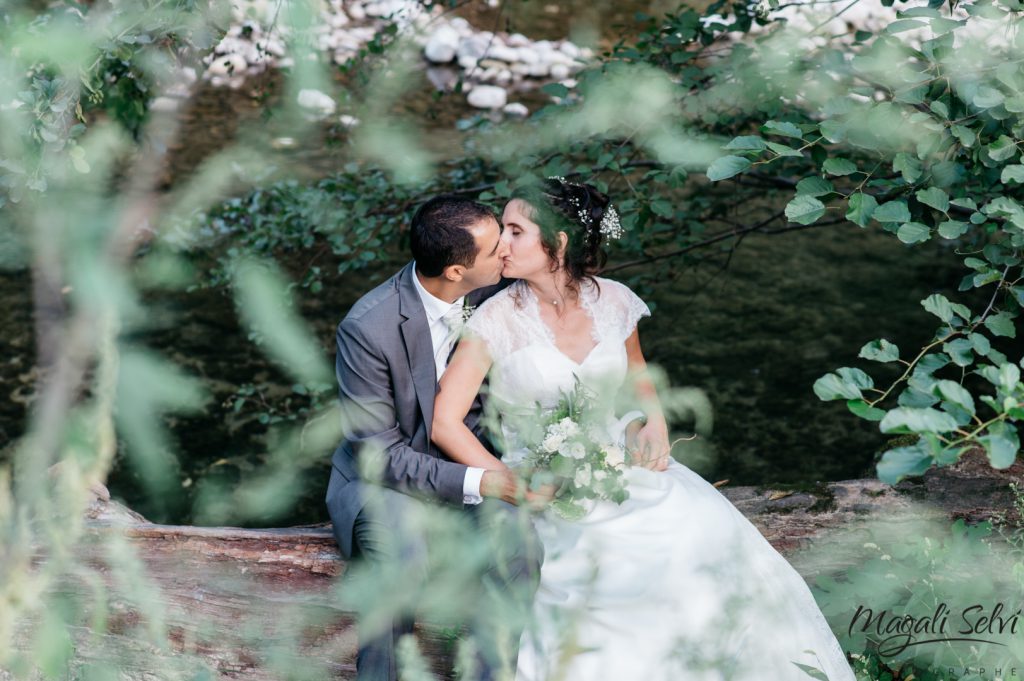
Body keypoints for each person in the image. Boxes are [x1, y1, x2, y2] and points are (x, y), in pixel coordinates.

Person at [431, 178, 858, 680]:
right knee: (605, 563)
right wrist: (506, 481)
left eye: (515, 230)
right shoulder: (494, 319)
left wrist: (650, 422)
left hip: (619, 462)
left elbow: (639, 380)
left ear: (559, 243)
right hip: (546, 483)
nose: (501, 241)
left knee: (700, 531)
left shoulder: (614, 302)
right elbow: (444, 421)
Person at [325, 195, 544, 681]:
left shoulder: (494, 295)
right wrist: (482, 482)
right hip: (384, 481)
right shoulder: (368, 327)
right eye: (495, 249)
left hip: (473, 463)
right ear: (453, 272)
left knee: (518, 543)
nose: (506, 252)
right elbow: (379, 456)